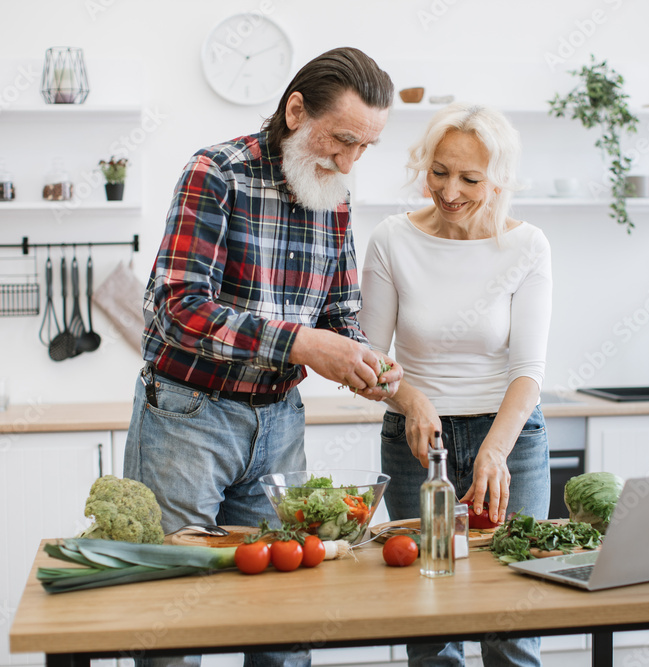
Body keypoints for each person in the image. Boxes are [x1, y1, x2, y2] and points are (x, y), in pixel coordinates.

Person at [124, 47, 401, 667]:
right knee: (171, 622)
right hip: (187, 418)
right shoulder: (216, 173)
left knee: (286, 620)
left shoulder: (336, 193)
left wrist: (362, 355)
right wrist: (300, 343)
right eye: (342, 140)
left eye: (365, 148)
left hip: (280, 420)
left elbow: (337, 310)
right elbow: (176, 307)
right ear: (296, 111)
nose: (350, 160)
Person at [359, 103, 552, 667]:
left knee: (512, 623)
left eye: (470, 178)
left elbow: (527, 372)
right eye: (439, 171)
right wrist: (411, 397)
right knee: (432, 623)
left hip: (511, 442)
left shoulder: (527, 246)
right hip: (416, 443)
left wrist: (496, 450)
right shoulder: (392, 240)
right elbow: (371, 359)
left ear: (500, 180)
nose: (450, 191)